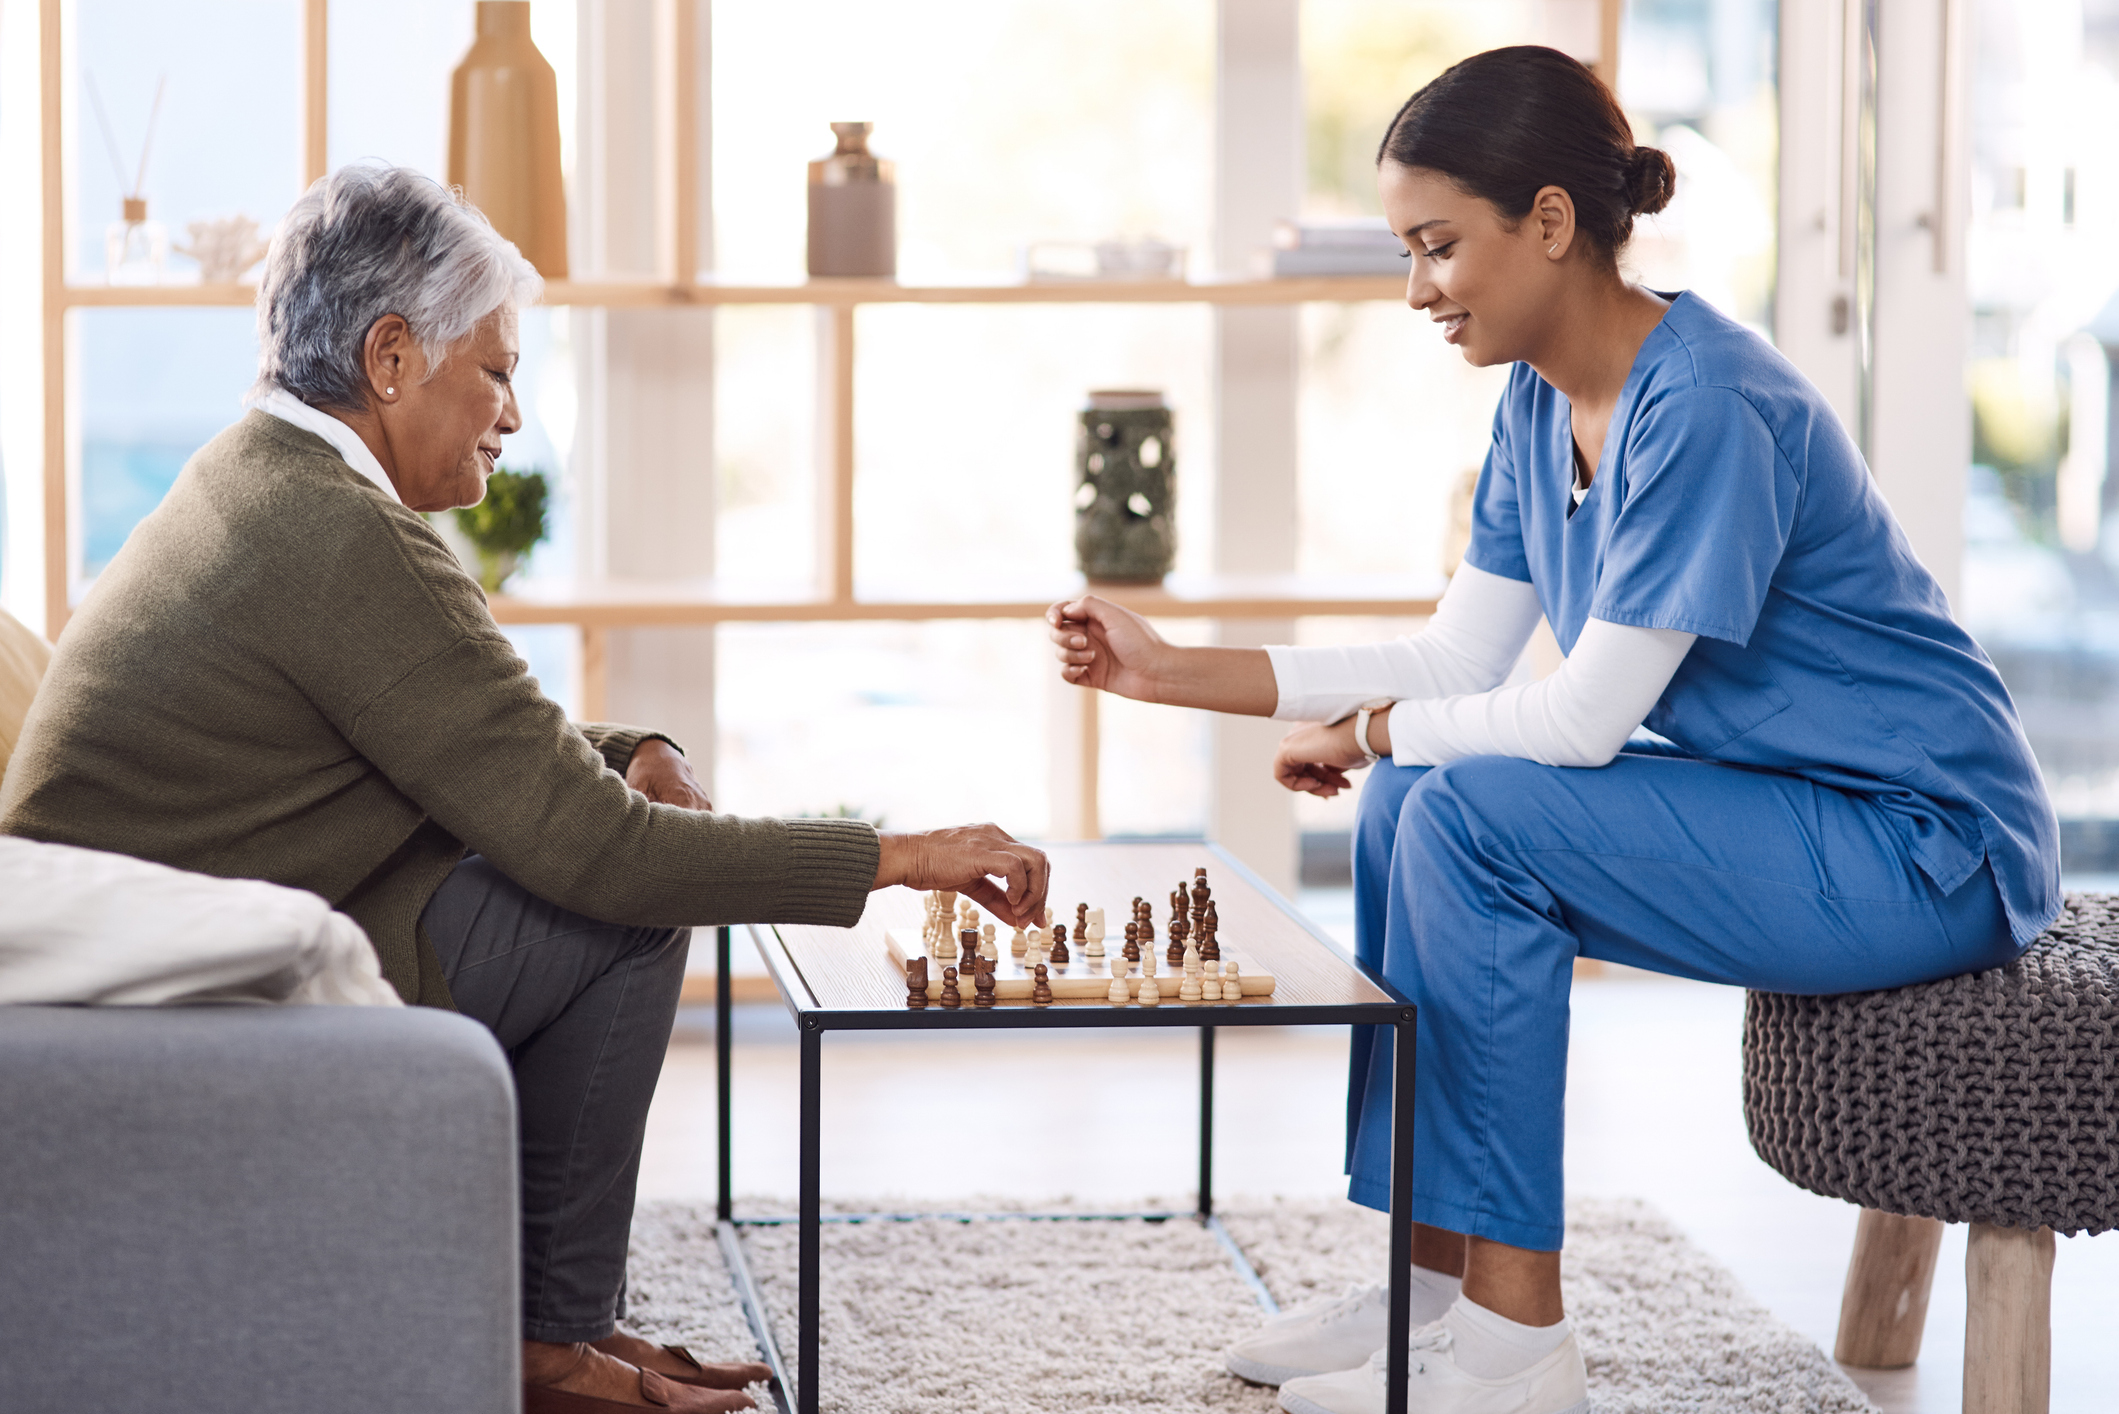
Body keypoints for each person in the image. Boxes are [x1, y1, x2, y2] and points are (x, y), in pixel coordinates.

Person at [1046, 45, 2056, 1414]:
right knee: (1418, 797)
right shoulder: (1535, 403)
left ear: (1548, 222)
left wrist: (1374, 732)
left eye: (1435, 246)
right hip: (1795, 806)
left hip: (1927, 845)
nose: (1414, 289)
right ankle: (1429, 1288)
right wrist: (1170, 674)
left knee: (1455, 801)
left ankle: (1517, 1349)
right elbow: (1453, 654)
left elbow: (1579, 722)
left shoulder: (1699, 401)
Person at [1, 164, 1049, 1414]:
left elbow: (443, 719)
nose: (510, 414)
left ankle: (553, 1323)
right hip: (167, 1003)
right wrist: (903, 855)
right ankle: (544, 1345)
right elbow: (604, 853)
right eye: (494, 371)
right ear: (390, 358)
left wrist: (626, 745)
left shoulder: (265, 477)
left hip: (170, 940)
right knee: (624, 909)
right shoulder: (340, 533)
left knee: (577, 861)